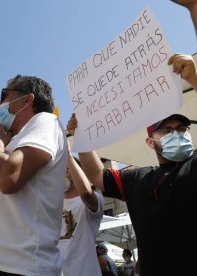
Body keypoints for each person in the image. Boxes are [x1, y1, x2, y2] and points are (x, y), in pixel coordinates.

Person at [67, 54, 197, 275]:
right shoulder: (138, 178)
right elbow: (96, 174)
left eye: (182, 129)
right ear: (150, 141)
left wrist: (194, 79)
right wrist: (82, 135)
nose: (177, 133)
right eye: (167, 130)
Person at [0, 28, 67, 275]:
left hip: (23, 268)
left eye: (5, 95)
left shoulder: (45, 122)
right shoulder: (10, 132)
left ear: (26, 100)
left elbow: (8, 179)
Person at [57, 141, 104, 276]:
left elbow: (86, 194)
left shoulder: (95, 198)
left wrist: (68, 156)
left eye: (65, 170)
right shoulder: (52, 203)